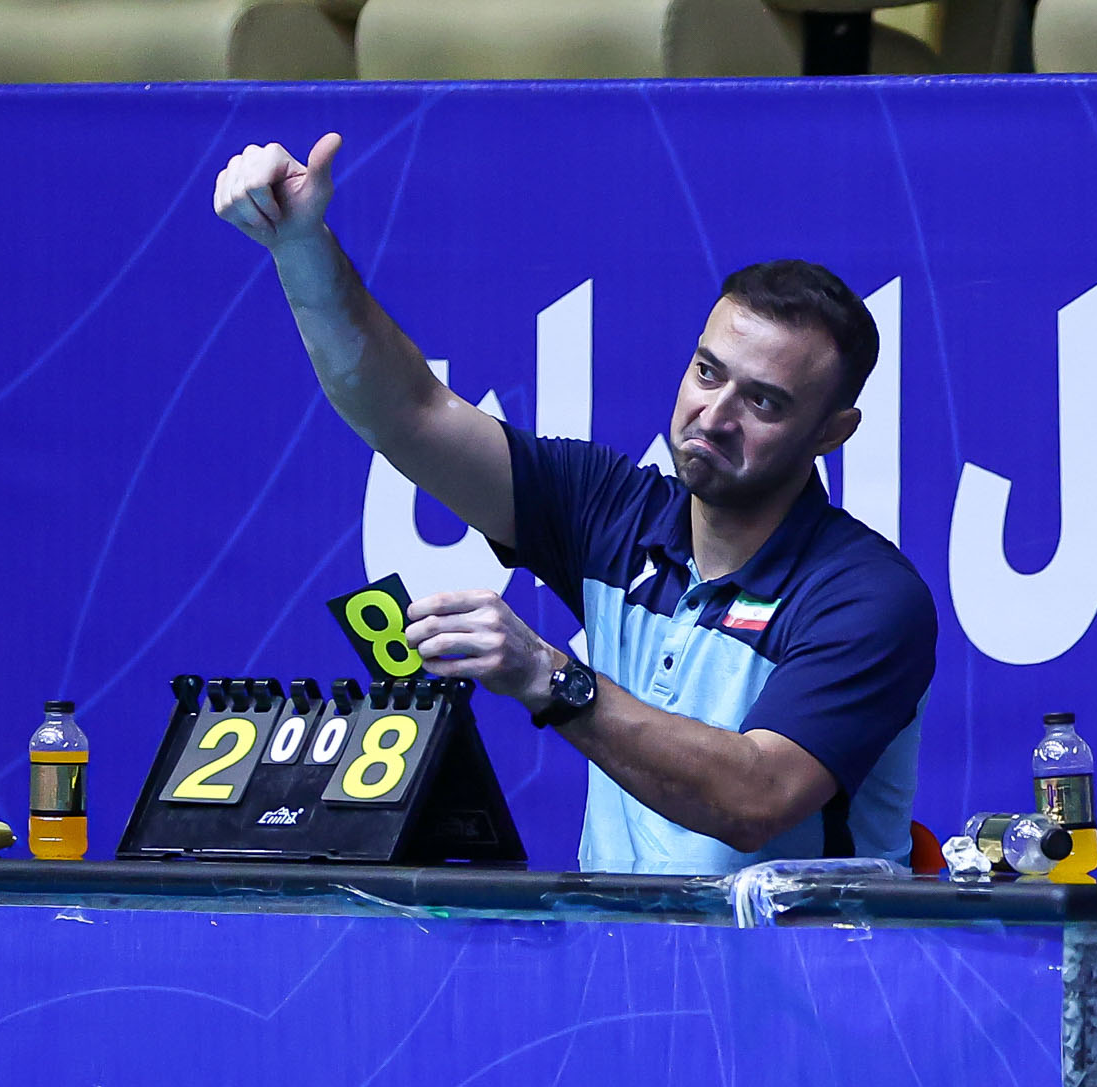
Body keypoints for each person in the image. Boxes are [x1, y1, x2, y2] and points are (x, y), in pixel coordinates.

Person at [213, 133, 936, 874]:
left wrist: (550, 676)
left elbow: (756, 799)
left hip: (803, 953)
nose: (715, 415)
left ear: (832, 432)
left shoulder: (867, 599)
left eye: (763, 402)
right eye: (706, 371)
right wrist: (299, 248)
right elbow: (408, 413)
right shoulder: (611, 513)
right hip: (614, 949)